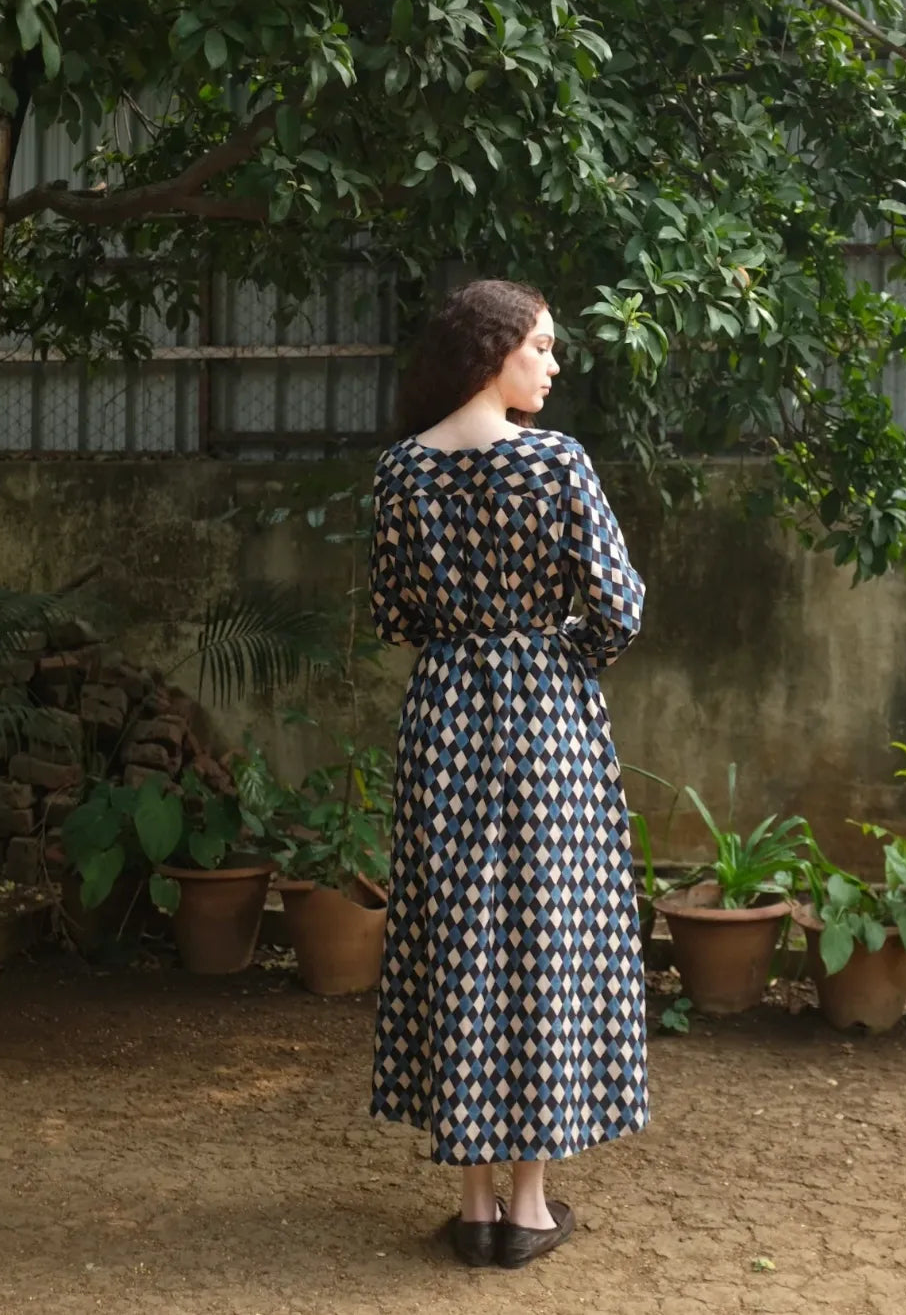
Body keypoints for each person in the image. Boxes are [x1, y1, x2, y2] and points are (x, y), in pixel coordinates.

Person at [367, 278, 649, 1270]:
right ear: (494, 351)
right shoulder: (555, 463)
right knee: (540, 935)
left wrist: (465, 639)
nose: (553, 363)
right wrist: (551, 650)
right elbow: (616, 608)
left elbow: (393, 615)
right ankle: (529, 1206)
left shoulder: (401, 471)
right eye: (541, 345)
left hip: (445, 714)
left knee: (457, 932)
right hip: (543, 722)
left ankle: (475, 1203)